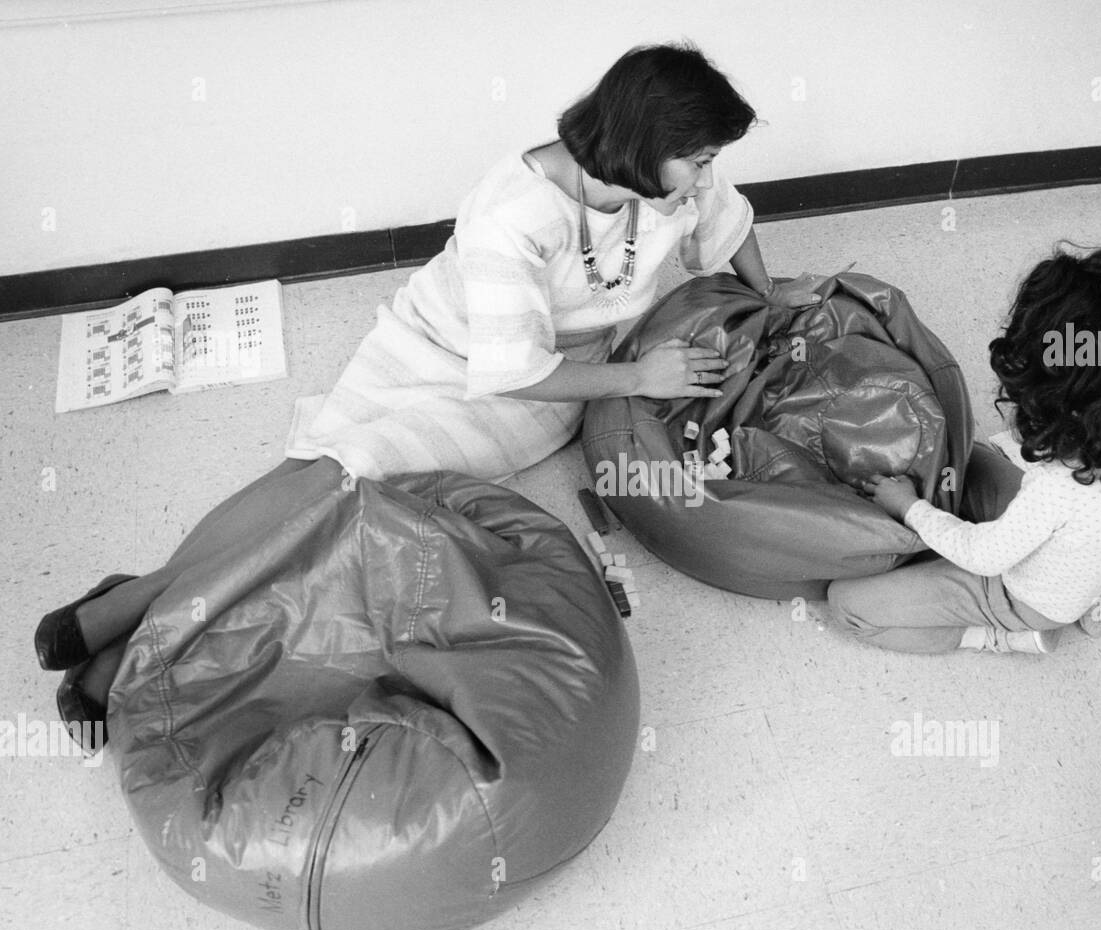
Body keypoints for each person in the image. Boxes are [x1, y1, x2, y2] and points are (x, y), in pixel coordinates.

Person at [35, 42, 821, 743]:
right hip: (456, 352)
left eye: (712, 158)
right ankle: (136, 609)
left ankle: (132, 624)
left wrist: (770, 290)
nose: (708, 176)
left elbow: (729, 224)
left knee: (351, 477)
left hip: (532, 392)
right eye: (699, 159)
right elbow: (513, 364)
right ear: (644, 144)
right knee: (317, 469)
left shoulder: (672, 184)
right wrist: (641, 378)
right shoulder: (515, 209)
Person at [828, 245, 1101, 654]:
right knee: (972, 460)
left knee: (846, 605)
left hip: (1027, 600)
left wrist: (910, 508)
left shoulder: (1060, 486)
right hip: (1092, 568)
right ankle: (1097, 595)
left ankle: (1006, 638)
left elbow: (984, 557)